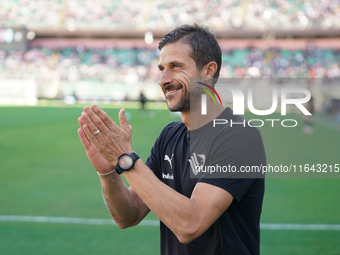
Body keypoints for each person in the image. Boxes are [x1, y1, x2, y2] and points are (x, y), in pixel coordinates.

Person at [77, 24, 266, 255]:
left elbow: (191, 224)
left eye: (176, 66)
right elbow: (129, 215)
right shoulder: (169, 135)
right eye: (161, 68)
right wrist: (108, 172)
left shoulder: (238, 136)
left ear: (208, 71)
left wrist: (125, 158)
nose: (163, 79)